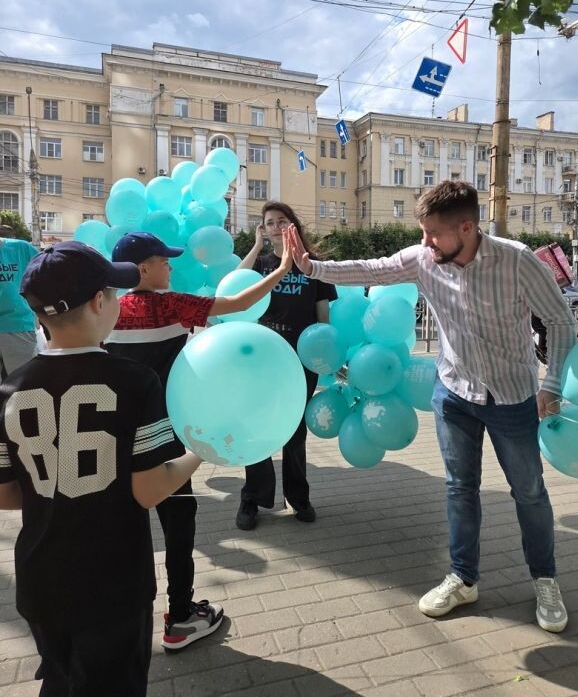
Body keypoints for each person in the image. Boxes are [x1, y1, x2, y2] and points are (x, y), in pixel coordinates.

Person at [288, 181, 576, 633]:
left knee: (530, 492)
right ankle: (463, 578)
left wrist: (553, 383)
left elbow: (561, 319)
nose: (425, 243)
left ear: (467, 227)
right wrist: (313, 266)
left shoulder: (517, 261)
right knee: (460, 488)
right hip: (455, 393)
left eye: (433, 234)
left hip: (512, 397)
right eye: (422, 233)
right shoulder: (426, 259)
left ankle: (544, 579)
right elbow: (374, 268)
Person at [0, 241, 203, 697]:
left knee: (60, 679)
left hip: (39, 580)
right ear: (99, 301)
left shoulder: (10, 388)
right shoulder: (134, 382)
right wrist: (200, 451)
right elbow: (150, 490)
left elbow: (5, 493)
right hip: (113, 583)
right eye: (114, 292)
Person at [105, 228, 295, 649]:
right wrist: (280, 269)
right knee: (178, 525)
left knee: (124, 527)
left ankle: (122, 620)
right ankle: (181, 616)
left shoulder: (107, 313)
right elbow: (240, 303)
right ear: (143, 268)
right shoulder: (173, 305)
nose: (170, 266)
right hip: (169, 434)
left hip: (119, 437)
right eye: (163, 261)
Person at [234, 201, 337, 531]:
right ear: (263, 228)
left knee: (295, 431)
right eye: (269, 222)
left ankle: (299, 498)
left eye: (282, 221)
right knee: (257, 427)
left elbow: (323, 317)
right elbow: (235, 284)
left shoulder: (313, 265)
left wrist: (326, 358)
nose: (276, 226)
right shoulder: (261, 264)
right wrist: (255, 246)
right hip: (261, 359)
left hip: (300, 361)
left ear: (293, 225)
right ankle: (252, 499)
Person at [0, 225, 39, 381]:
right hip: (20, 327)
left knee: (24, 387)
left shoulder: (21, 249)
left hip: (19, 327)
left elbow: (46, 275)